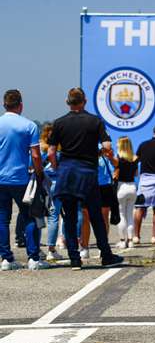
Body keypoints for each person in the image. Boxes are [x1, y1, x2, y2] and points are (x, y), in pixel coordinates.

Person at [47, 87, 124, 270]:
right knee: (96, 215)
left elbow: (51, 152)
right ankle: (106, 254)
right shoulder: (95, 121)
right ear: (85, 101)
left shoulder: (59, 123)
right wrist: (97, 151)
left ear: (68, 102)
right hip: (87, 173)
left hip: (67, 173)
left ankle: (74, 258)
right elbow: (106, 146)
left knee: (70, 217)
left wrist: (59, 168)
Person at [0, 89, 48, 271]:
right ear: (21, 105)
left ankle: (6, 258)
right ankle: (33, 258)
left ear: (4, 105)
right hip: (21, 179)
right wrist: (39, 173)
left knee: (2, 219)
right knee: (30, 216)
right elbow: (36, 155)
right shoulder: (29, 126)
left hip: (0, 179)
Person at [40, 123, 64, 261]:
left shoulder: (40, 152)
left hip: (42, 184)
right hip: (56, 184)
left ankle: (36, 248)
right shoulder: (60, 153)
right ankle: (51, 249)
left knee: (36, 216)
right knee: (53, 217)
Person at [114, 136, 138, 249]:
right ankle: (131, 240)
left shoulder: (118, 158)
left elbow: (115, 173)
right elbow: (136, 174)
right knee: (130, 215)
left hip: (121, 186)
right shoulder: (135, 158)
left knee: (121, 215)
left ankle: (123, 241)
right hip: (132, 186)